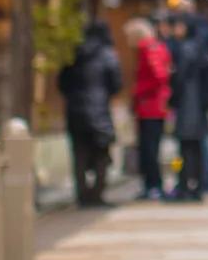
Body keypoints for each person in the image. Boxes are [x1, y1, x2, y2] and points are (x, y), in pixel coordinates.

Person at [55, 17, 121, 208]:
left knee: (79, 154)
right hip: (99, 110)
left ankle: (82, 195)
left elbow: (62, 83)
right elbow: (116, 83)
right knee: (101, 153)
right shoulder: (107, 54)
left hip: (75, 110)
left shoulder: (74, 53)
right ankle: (97, 194)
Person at [170, 14, 208, 202]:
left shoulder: (186, 48)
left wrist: (173, 89)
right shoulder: (201, 47)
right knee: (197, 148)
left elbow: (179, 78)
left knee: (185, 148)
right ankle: (197, 185)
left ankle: (184, 186)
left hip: (188, 105)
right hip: (199, 105)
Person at [126, 17, 172, 200]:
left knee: (149, 149)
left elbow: (158, 76)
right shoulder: (157, 47)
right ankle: (153, 185)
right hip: (155, 106)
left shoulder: (148, 49)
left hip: (150, 106)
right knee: (150, 148)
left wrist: (138, 92)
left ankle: (153, 186)